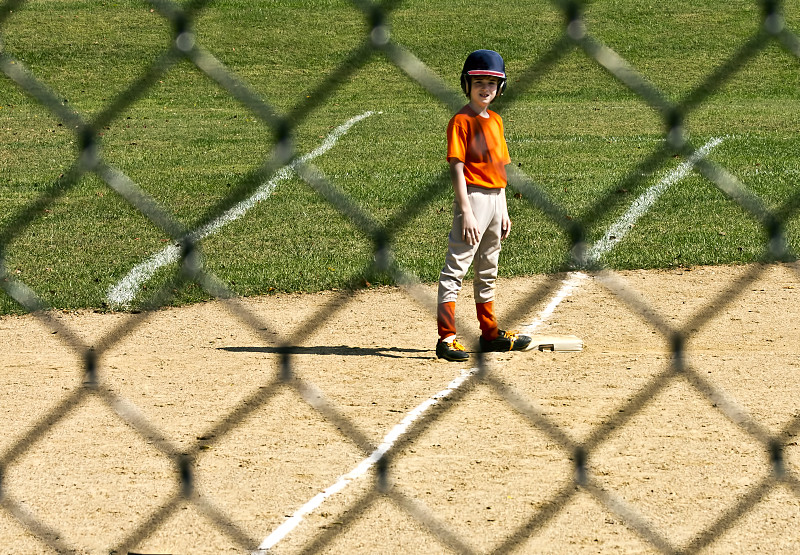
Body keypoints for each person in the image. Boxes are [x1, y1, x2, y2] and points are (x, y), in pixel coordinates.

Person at [436, 49, 532, 362]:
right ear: (467, 83)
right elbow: (456, 166)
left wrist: (503, 208)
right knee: (457, 268)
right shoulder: (461, 121)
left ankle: (490, 334)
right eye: (479, 81)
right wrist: (465, 210)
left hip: (495, 199)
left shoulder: (497, 121)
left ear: (500, 88)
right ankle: (447, 338)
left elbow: (500, 168)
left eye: (492, 82)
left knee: (487, 269)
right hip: (474, 199)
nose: (486, 88)